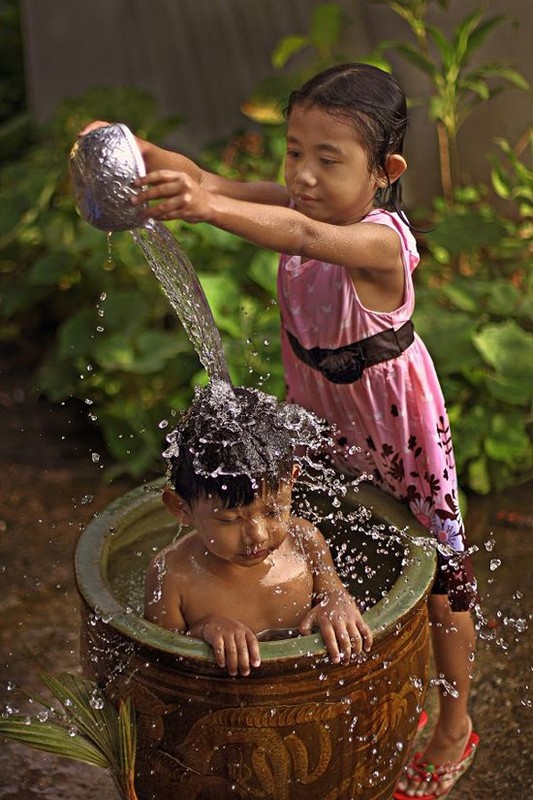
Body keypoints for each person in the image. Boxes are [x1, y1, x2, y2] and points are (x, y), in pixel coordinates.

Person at [82, 62, 479, 799]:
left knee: (442, 577)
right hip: (322, 410)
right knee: (302, 528)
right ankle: (321, 639)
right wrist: (126, 148)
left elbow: (292, 229)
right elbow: (208, 178)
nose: (300, 174)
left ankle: (452, 723)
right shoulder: (295, 204)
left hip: (395, 421)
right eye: (293, 151)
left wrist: (205, 206)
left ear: (384, 171)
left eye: (327, 159)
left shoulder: (381, 243)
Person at [144, 381, 372, 678]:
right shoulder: (172, 576)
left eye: (273, 511)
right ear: (180, 507)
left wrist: (338, 605)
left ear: (291, 482)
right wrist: (202, 631)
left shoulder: (306, 541)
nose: (258, 535)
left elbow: (335, 594)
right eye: (230, 520)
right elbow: (160, 665)